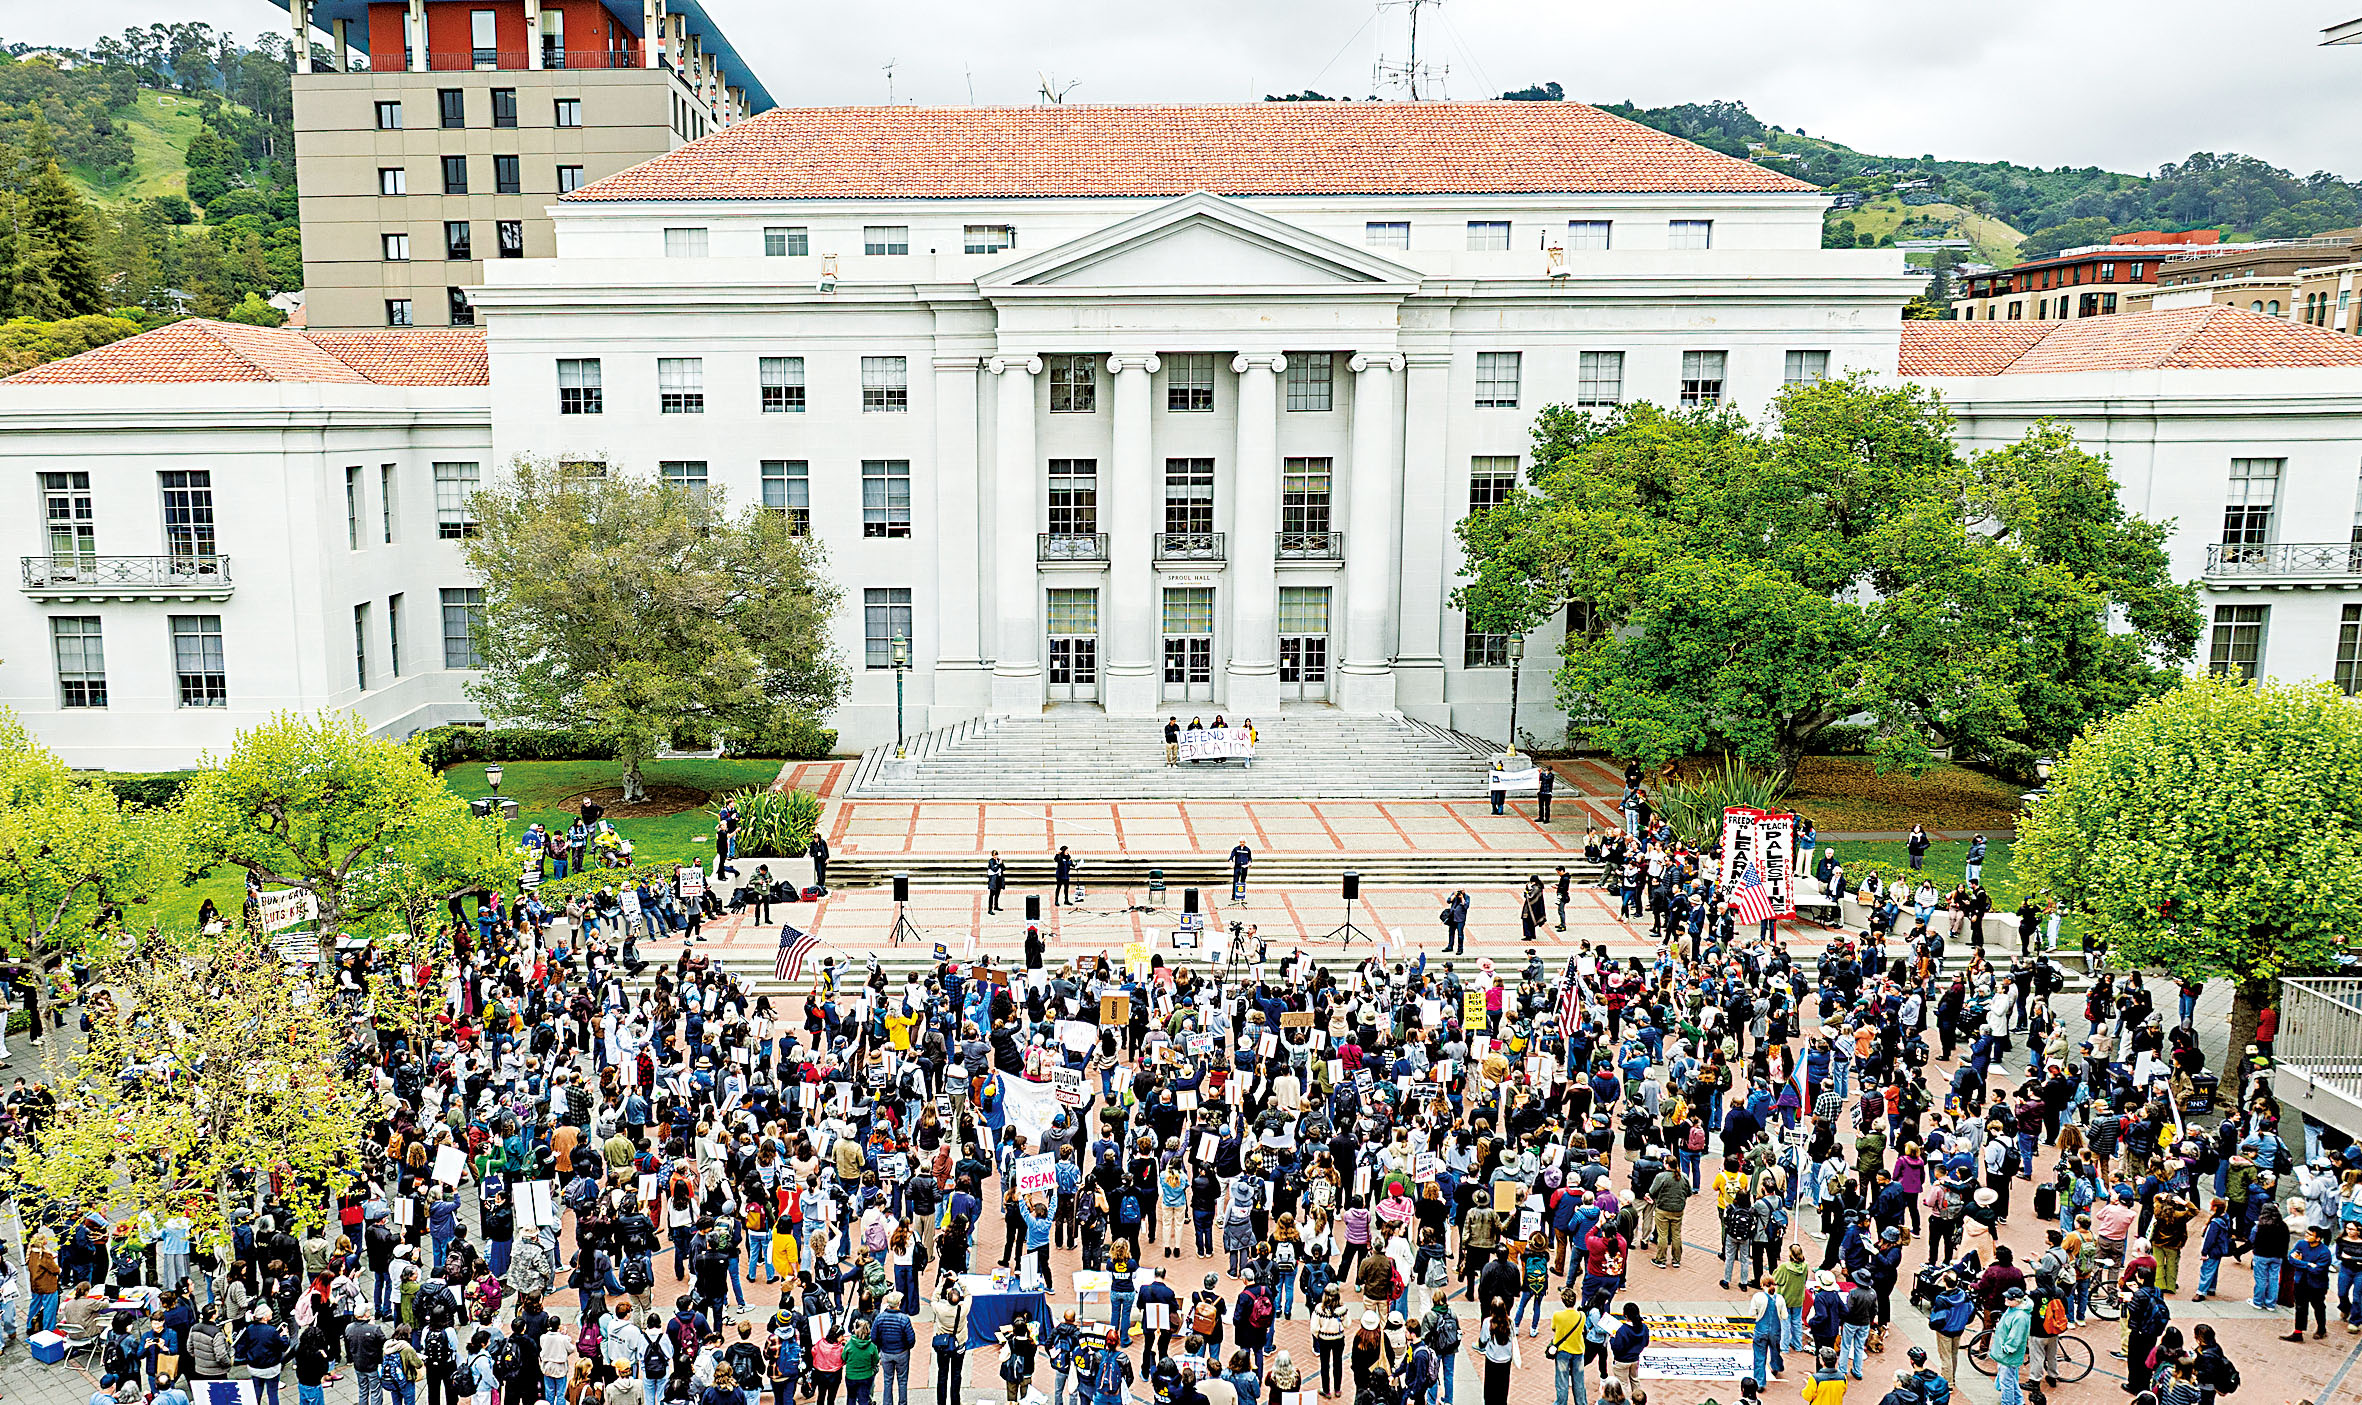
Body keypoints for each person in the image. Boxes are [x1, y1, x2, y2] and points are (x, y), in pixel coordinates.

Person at [1544, 1286, 1586, 1405]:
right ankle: (1581, 1402)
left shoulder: (1557, 1315)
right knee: (1579, 1382)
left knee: (1562, 1381)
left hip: (1562, 1352)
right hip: (1578, 1350)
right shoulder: (1582, 1315)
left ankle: (1561, 1403)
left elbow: (1554, 1328)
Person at [1990, 1287, 2031, 1405]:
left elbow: (2016, 1337)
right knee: (2011, 1379)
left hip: (2008, 1357)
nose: (2006, 1299)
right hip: (2006, 1356)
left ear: (2017, 1300)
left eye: (2009, 1298)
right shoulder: (2013, 1310)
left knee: (2006, 1383)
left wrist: (2006, 1349)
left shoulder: (2020, 1317)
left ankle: (2008, 1403)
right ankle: (2019, 1401)